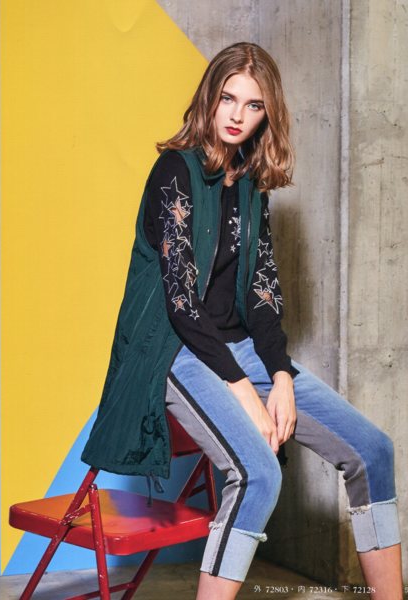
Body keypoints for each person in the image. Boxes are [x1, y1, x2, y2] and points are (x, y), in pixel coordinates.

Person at [81, 42, 403, 599]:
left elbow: (262, 293)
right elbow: (181, 303)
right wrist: (243, 389)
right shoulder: (174, 172)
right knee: (259, 475)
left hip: (240, 350)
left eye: (253, 105)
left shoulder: (251, 183)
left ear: (266, 114)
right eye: (228, 98)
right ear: (209, 97)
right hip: (174, 350)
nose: (236, 115)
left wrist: (279, 375)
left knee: (373, 451)